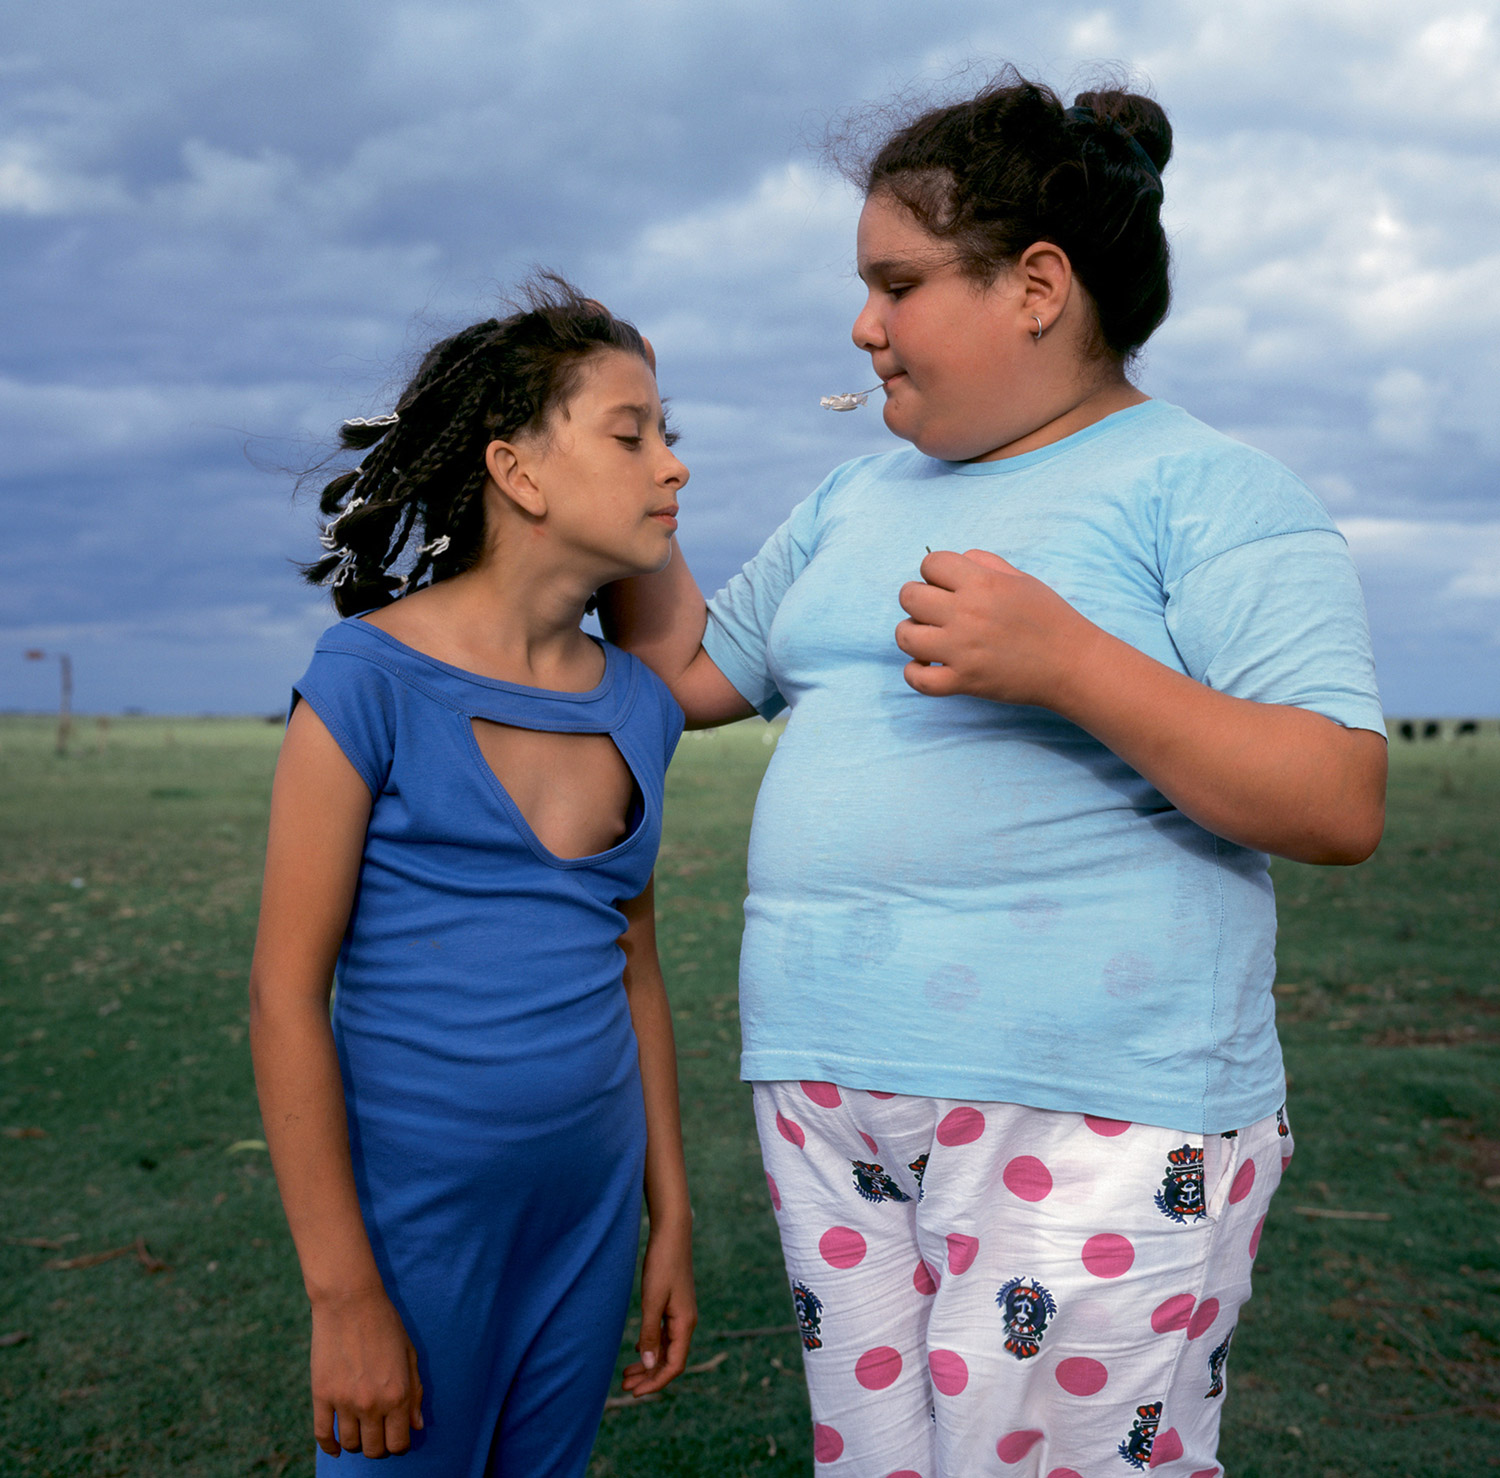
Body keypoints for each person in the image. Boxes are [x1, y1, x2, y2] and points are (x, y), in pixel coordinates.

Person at [604, 73, 1386, 1476]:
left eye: (897, 282)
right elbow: (682, 676)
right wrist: (631, 487)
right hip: (832, 1097)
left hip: (1094, 1105)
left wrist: (1070, 661)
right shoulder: (854, 498)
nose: (864, 324)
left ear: (1037, 285)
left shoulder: (1205, 488)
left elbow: (1335, 798)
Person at [249, 278, 696, 1475]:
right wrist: (344, 1295)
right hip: (414, 1232)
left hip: (589, 1222)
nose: (673, 468)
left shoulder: (640, 708)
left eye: (671, 436)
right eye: (632, 433)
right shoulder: (366, 684)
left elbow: (635, 970)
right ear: (518, 470)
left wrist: (672, 1217)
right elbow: (285, 998)